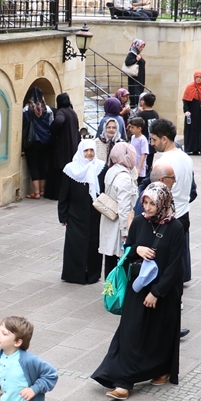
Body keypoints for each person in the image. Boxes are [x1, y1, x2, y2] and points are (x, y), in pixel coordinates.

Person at [92, 182, 185, 399]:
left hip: (162, 292)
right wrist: (137, 249)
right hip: (138, 287)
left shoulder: (175, 228)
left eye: (152, 203)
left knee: (158, 334)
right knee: (130, 332)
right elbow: (127, 251)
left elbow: (174, 267)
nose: (147, 207)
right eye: (145, 202)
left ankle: (160, 369)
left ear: (163, 203)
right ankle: (123, 382)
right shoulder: (139, 222)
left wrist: (157, 293)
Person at [150, 118, 194, 285]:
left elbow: (155, 194)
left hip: (167, 217)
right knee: (178, 257)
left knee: (165, 262)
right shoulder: (186, 158)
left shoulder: (162, 162)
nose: (152, 144)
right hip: (184, 213)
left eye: (154, 139)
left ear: (164, 139)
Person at [59, 142, 105, 284]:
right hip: (75, 215)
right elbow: (64, 194)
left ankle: (92, 274)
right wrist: (63, 215)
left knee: (94, 245)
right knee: (75, 245)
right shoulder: (70, 169)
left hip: (95, 215)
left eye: (91, 150)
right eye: (86, 151)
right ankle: (74, 275)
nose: (89, 153)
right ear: (80, 151)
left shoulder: (101, 167)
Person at [99, 141, 139, 277]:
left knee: (110, 260)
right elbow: (124, 207)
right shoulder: (124, 177)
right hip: (119, 225)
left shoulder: (112, 170)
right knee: (119, 261)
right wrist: (126, 232)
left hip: (110, 220)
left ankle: (110, 287)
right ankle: (116, 288)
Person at [47, 92, 81, 201]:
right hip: (72, 146)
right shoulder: (72, 112)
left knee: (60, 171)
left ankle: (59, 195)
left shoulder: (61, 112)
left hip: (62, 147)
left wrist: (53, 130)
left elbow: (59, 121)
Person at [23, 88, 53, 199]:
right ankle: (42, 190)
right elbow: (51, 123)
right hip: (46, 141)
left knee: (34, 166)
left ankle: (36, 193)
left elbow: (23, 123)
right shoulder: (48, 109)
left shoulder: (27, 109)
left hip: (33, 141)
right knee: (42, 165)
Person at [181, 71, 201, 156]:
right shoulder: (190, 87)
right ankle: (193, 149)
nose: (198, 79)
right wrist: (186, 111)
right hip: (192, 113)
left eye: (200, 77)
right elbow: (185, 100)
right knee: (193, 130)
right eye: (197, 77)